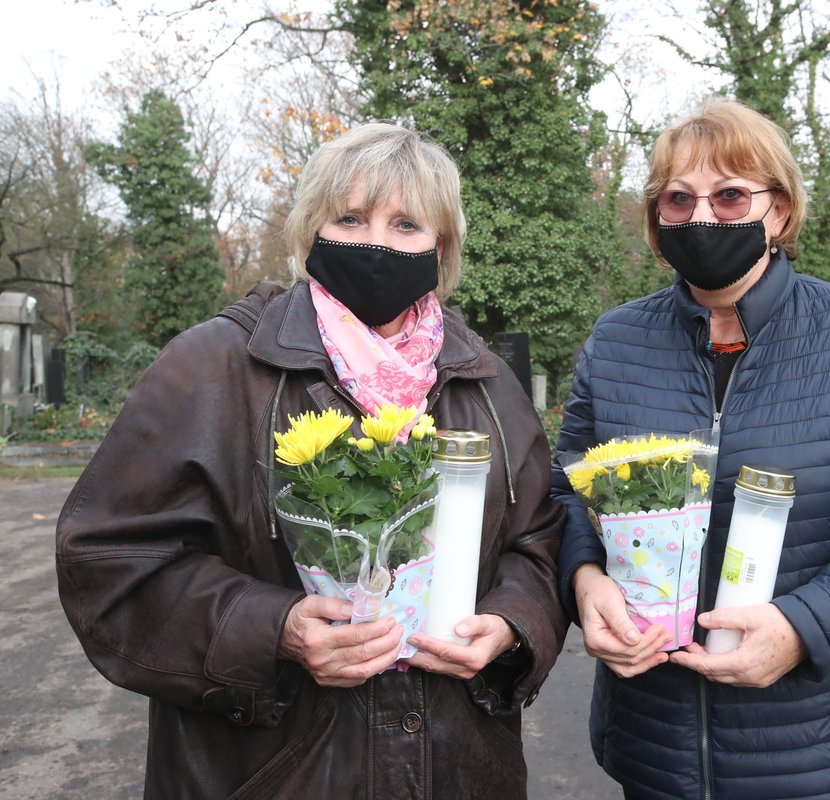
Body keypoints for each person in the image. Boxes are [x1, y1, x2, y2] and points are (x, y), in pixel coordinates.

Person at [56, 121, 566, 799]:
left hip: (459, 768)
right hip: (274, 771)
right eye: (349, 218)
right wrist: (276, 629)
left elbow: (538, 541)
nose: (376, 244)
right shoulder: (212, 368)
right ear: (308, 231)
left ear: (440, 249)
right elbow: (109, 562)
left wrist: (510, 623)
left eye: (406, 224)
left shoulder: (488, 381)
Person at [551, 98, 830, 800]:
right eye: (678, 199)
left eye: (731, 195)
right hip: (654, 742)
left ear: (777, 211)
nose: (703, 217)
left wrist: (804, 627)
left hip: (814, 755)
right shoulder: (618, 339)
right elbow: (568, 492)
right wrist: (583, 581)